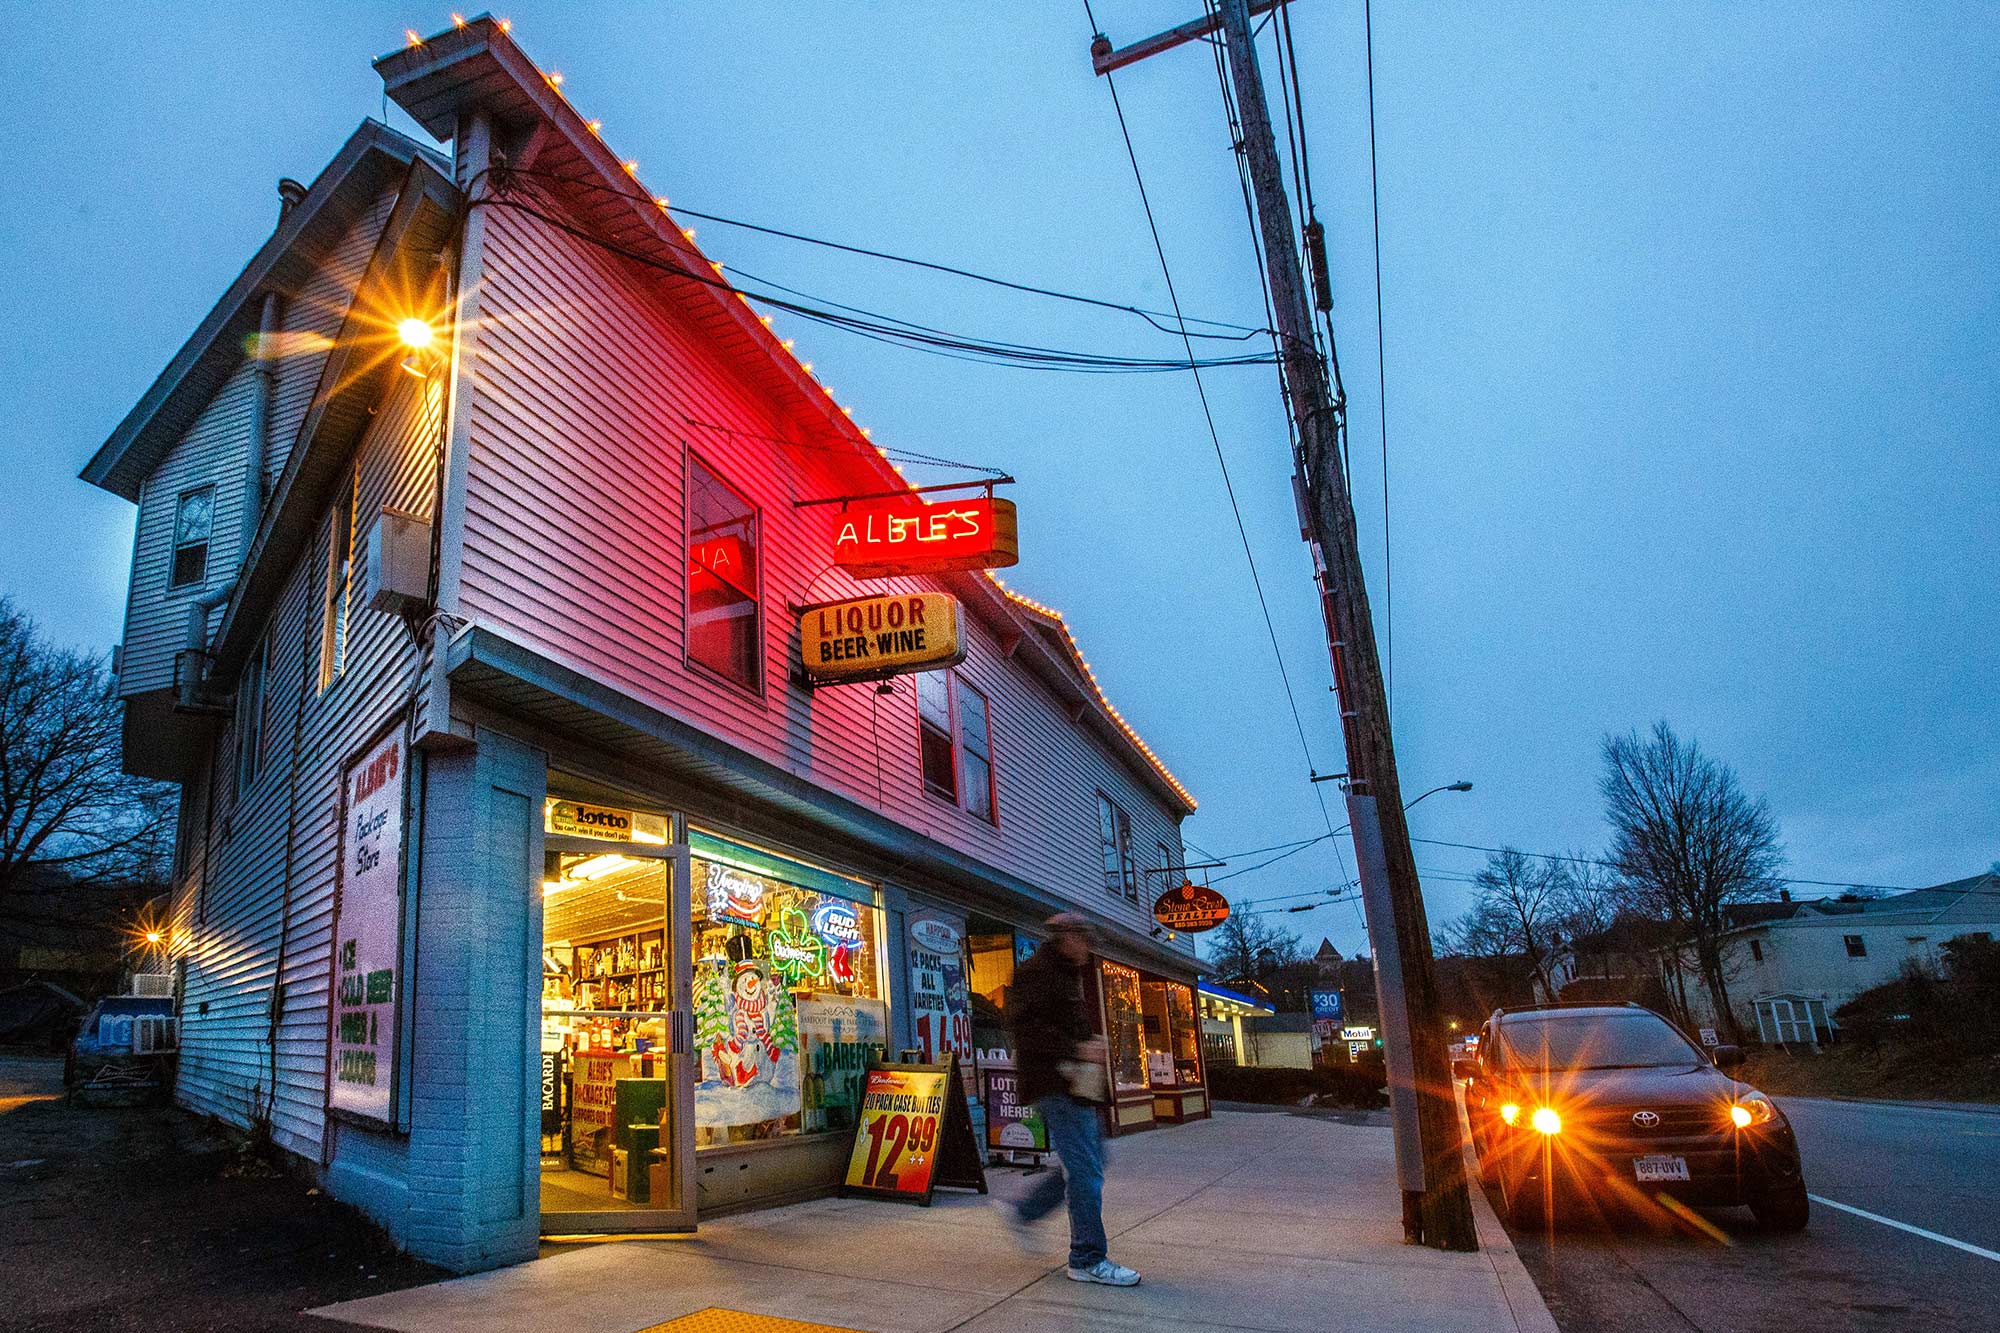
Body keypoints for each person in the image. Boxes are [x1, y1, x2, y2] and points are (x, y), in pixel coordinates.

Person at [1005, 913, 1140, 1287]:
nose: (1089, 948)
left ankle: (1026, 1210)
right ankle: (1087, 1257)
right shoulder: (1038, 972)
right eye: (1085, 939)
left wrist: (1088, 1045)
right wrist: (1078, 1047)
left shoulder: (1066, 974)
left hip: (1075, 1084)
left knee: (1090, 1161)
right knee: (1085, 1169)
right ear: (1066, 937)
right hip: (1055, 1083)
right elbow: (1026, 1031)